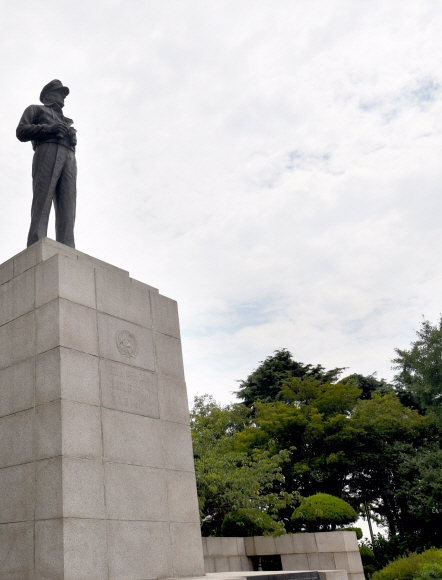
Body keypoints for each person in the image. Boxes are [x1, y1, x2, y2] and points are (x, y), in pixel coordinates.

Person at [16, 80, 77, 248]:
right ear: (48, 95)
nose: (64, 96)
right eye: (60, 92)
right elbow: (21, 131)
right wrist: (49, 129)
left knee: (68, 203)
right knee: (43, 198)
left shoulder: (66, 120)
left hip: (69, 156)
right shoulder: (36, 109)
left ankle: (68, 246)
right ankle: (36, 242)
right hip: (47, 149)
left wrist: (71, 138)